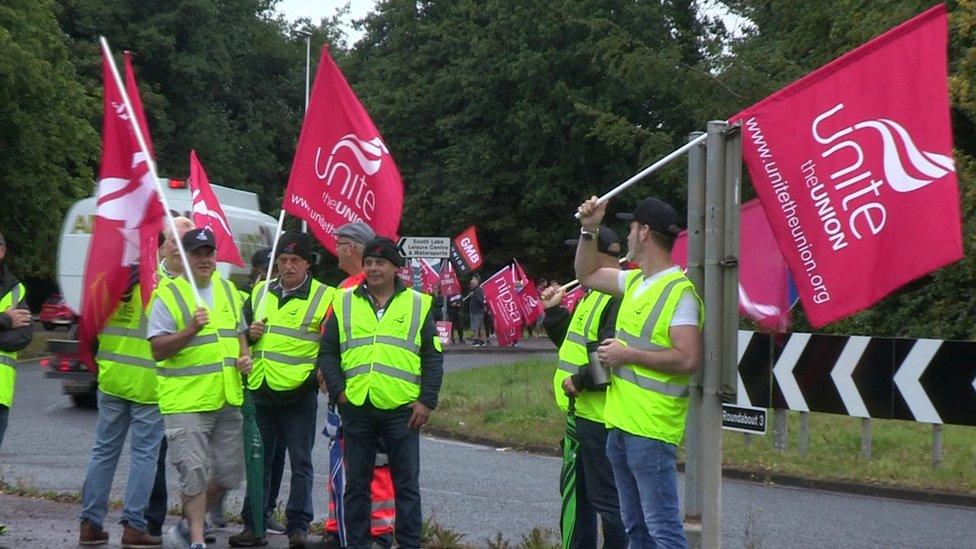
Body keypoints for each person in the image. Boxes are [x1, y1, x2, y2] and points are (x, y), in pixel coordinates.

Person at [575, 196, 702, 548]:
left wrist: (627, 355)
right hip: (621, 425)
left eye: (631, 228)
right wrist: (589, 230)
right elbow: (586, 274)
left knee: (662, 530)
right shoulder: (635, 282)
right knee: (636, 528)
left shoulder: (680, 293)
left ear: (644, 232)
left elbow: (688, 358)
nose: (628, 235)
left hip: (651, 429)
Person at [318, 237, 443, 549]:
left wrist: (427, 400)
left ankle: (409, 543)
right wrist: (339, 393)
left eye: (381, 263)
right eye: (369, 263)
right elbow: (328, 352)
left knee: (406, 486)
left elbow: (432, 356)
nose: (373, 268)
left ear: (395, 268)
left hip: (402, 408)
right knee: (357, 485)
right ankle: (357, 543)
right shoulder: (344, 300)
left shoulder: (417, 303)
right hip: (357, 405)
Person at [148, 228, 252, 549]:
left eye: (209, 253)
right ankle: (196, 539)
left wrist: (245, 357)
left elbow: (239, 334)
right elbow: (157, 349)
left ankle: (184, 525)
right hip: (186, 401)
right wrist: (191, 329)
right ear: (185, 258)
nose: (205, 260)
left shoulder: (230, 291)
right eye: (197, 254)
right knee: (193, 472)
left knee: (229, 474)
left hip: (226, 398)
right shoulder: (167, 294)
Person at [229, 233, 333, 548]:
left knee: (301, 462)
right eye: (283, 261)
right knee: (257, 460)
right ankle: (254, 525)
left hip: (300, 392)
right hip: (262, 389)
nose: (287, 267)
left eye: (294, 261)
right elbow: (241, 331)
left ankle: (298, 528)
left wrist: (322, 371)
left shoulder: (324, 296)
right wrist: (249, 338)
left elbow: (332, 341)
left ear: (306, 263)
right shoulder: (261, 290)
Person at [540, 228, 627, 548]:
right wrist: (554, 313)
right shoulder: (593, 295)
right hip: (583, 417)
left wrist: (579, 381)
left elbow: (610, 355)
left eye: (582, 251)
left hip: (601, 419)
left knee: (608, 504)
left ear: (601, 255)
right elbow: (571, 343)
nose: (576, 260)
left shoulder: (617, 295)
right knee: (581, 500)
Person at [322, 221, 397, 549]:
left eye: (339, 243)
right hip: (344, 392)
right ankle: (337, 526)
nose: (335, 249)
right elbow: (329, 340)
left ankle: (378, 531)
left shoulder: (368, 290)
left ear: (352, 247)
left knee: (376, 463)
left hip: (370, 393)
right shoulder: (345, 287)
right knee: (341, 459)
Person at [78, 266, 164, 548]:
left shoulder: (105, 285)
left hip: (111, 378)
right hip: (146, 383)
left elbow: (88, 331)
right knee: (144, 456)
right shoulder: (157, 287)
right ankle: (133, 526)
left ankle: (90, 524)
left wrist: (102, 366)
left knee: (103, 452)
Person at [227, 245, 287, 536]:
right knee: (258, 453)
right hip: (255, 386)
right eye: (273, 267)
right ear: (261, 269)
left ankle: (267, 508)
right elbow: (240, 338)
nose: (277, 272)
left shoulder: (274, 292)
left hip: (281, 385)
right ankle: (254, 512)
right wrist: (250, 335)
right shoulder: (253, 295)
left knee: (276, 455)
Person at [146, 216, 195, 538]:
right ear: (162, 248)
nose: (178, 248)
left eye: (186, 242)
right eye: (173, 241)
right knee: (153, 459)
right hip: (153, 386)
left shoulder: (205, 284)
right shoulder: (149, 284)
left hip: (194, 391)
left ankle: (195, 524)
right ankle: (152, 520)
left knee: (195, 465)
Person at [0, 230, 32, 450]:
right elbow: (12, 329)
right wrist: (5, 321)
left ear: (2, 251)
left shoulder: (15, 289)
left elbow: (23, 336)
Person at [467, 275, 486, 346]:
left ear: (476, 282)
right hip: (479, 311)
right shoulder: (477, 290)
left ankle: (476, 340)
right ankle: (482, 341)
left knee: (475, 327)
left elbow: (480, 300)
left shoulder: (477, 290)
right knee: (481, 326)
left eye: (473, 280)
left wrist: (473, 295)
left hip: (477, 311)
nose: (471, 282)